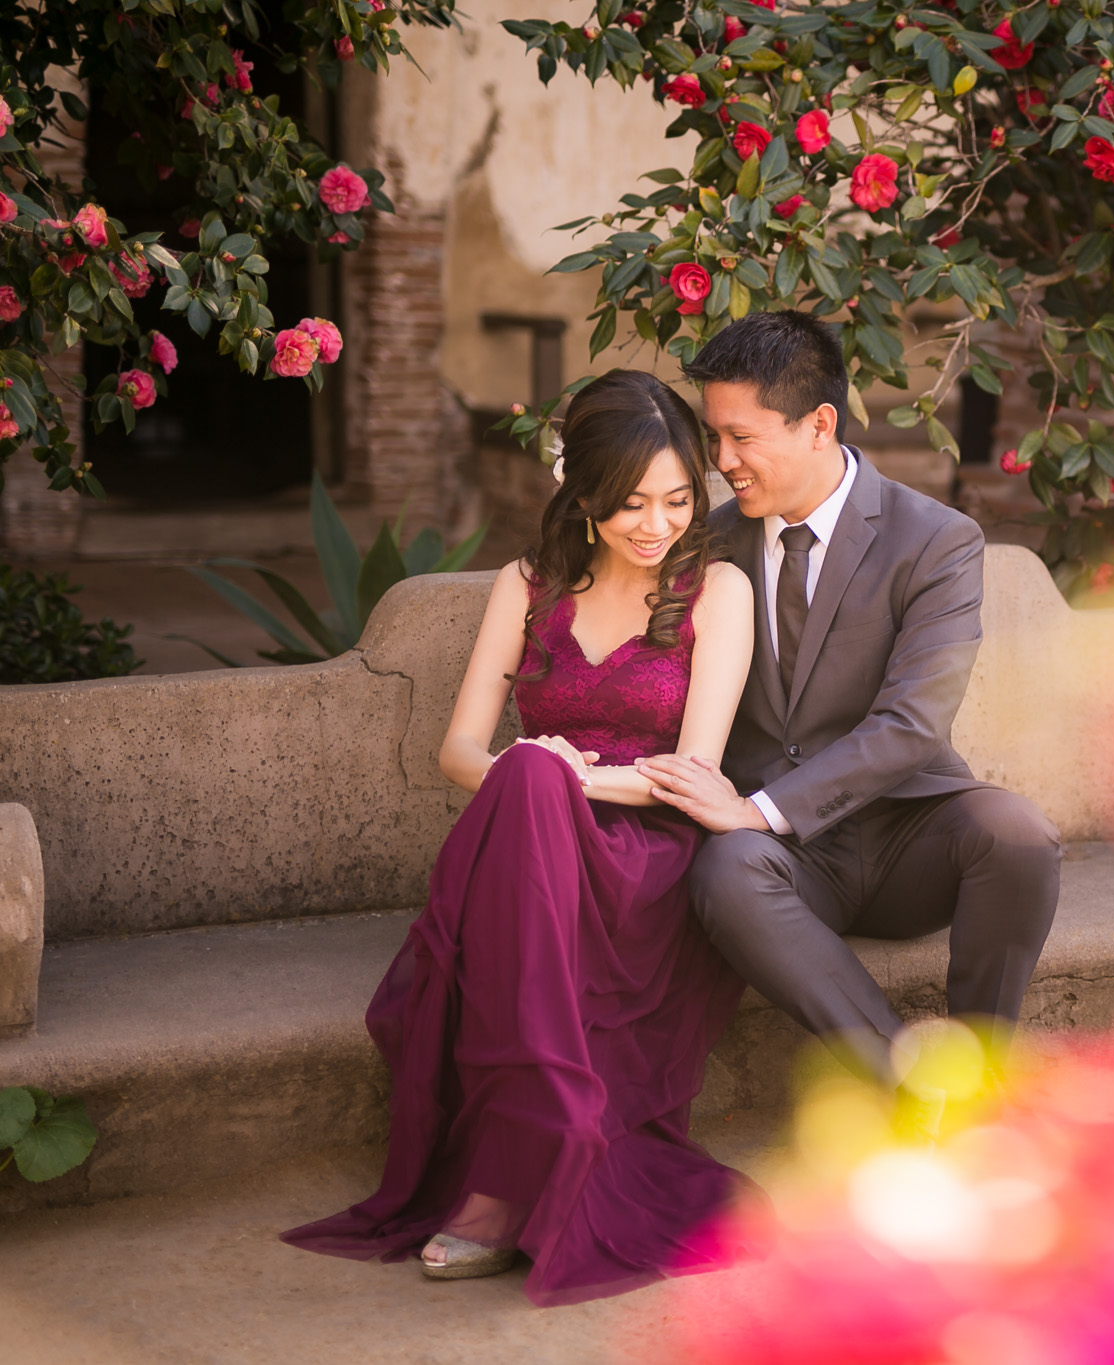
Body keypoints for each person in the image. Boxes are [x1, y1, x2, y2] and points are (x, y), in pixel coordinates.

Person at [281, 369, 758, 1306]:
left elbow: (693, 771)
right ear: (580, 497)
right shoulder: (528, 584)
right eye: (629, 504)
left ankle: (500, 1188)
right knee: (526, 783)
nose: (657, 525)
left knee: (538, 778)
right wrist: (542, 778)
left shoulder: (720, 590)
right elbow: (460, 747)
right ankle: (517, 1164)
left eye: (675, 500)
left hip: (644, 850)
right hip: (525, 840)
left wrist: (572, 776)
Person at [634, 311, 1063, 1089]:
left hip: (909, 836)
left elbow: (914, 723)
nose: (721, 461)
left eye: (742, 438)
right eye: (714, 437)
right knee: (726, 870)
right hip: (786, 865)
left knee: (1019, 834)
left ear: (819, 425)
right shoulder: (708, 544)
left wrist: (757, 807)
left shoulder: (936, 539)